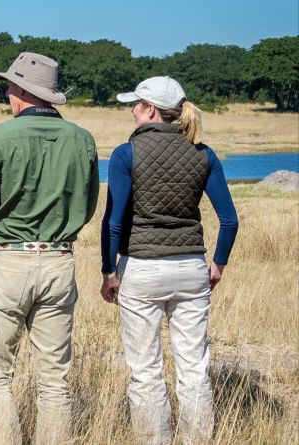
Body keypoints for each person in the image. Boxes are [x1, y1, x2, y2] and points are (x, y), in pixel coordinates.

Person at [0, 52, 99, 445]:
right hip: (59, 261)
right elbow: (87, 208)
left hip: (8, 260)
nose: (7, 92)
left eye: (10, 85)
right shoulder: (82, 138)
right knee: (55, 379)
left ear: (24, 90)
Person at [100, 76, 239, 445]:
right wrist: (218, 264)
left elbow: (113, 221)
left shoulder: (125, 154)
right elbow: (230, 220)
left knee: (145, 371)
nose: (131, 110)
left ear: (149, 109)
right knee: (194, 369)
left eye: (136, 104)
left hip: (142, 268)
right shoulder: (203, 152)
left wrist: (108, 271)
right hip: (192, 267)